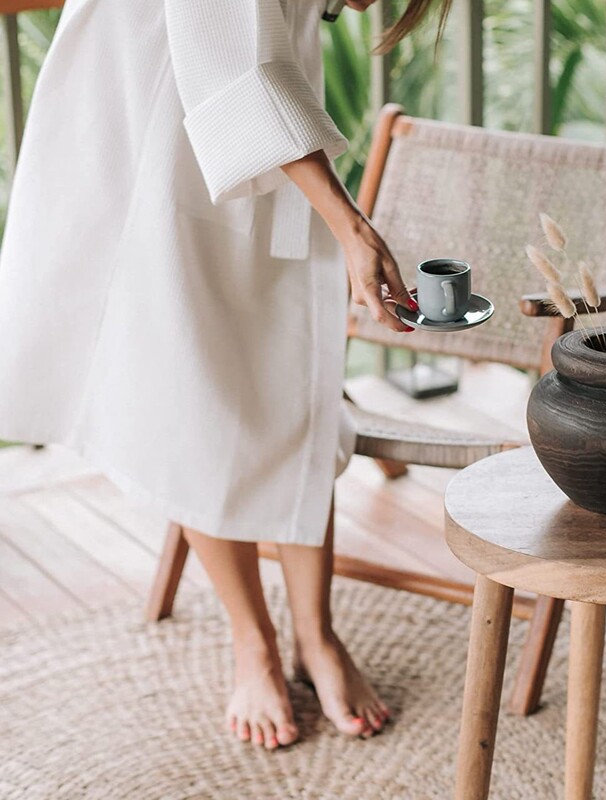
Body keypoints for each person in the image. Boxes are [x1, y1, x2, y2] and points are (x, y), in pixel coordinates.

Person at [0, 0, 450, 749]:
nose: (373, 7)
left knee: (291, 367)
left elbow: (254, 70)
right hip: (143, 130)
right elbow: (228, 63)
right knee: (193, 385)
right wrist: (350, 225)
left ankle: (317, 636)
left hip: (251, 128)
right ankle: (254, 642)